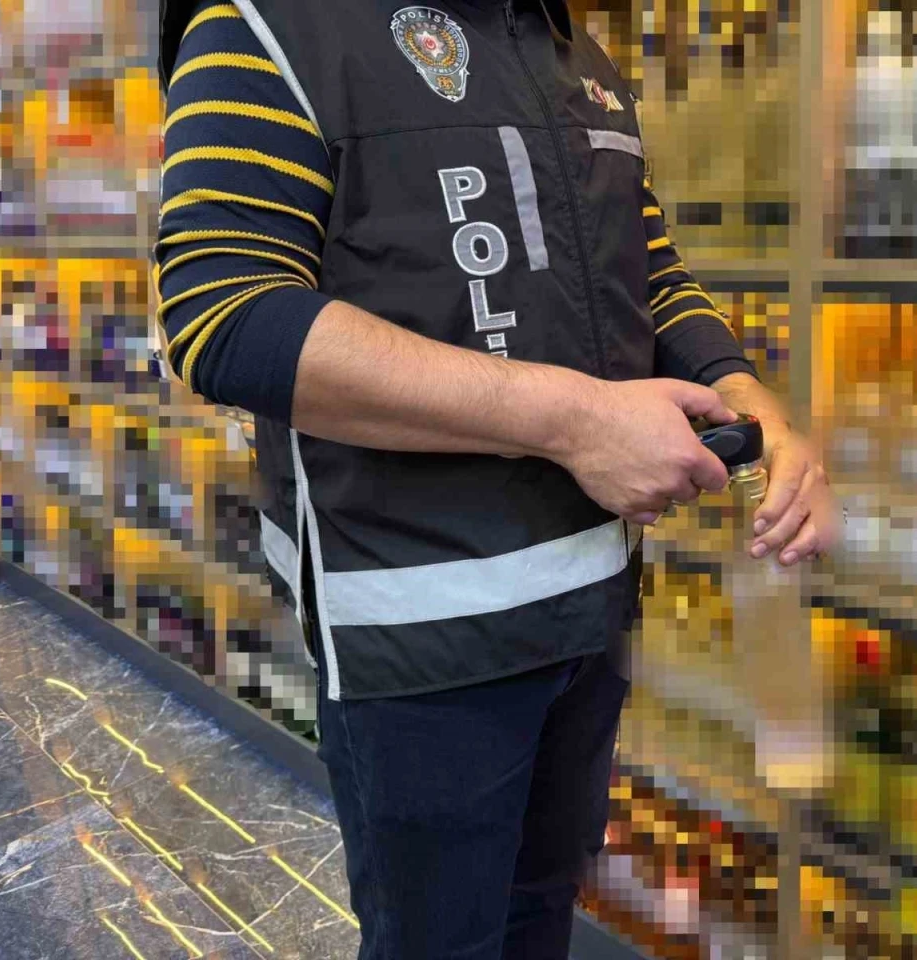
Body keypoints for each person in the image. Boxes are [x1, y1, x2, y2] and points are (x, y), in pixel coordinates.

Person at [154, 1, 839, 956]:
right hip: (420, 632)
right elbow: (226, 313)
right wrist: (574, 421)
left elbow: (644, 271)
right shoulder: (271, 25)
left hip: (592, 606)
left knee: (539, 918)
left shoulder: (569, 49)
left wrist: (744, 393)